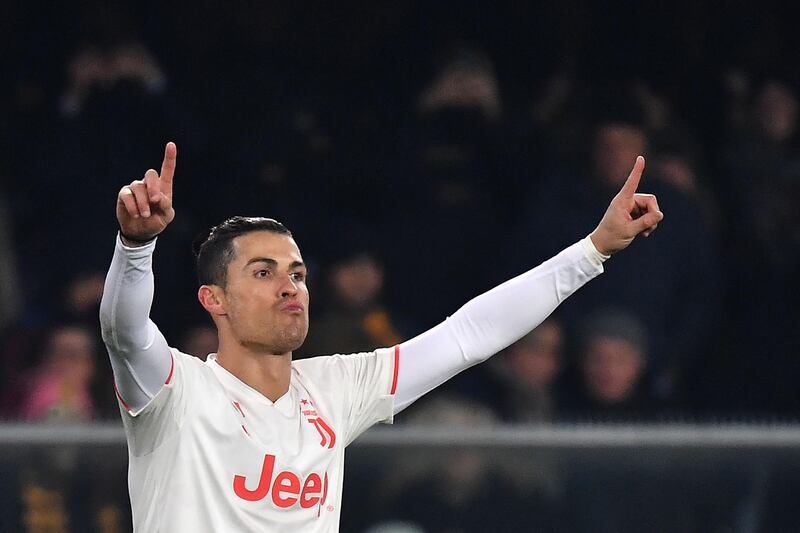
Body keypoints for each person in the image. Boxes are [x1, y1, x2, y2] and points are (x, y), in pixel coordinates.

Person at [99, 142, 662, 531]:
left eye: (297, 273)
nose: (291, 287)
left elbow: (469, 335)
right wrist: (136, 246)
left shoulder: (335, 389)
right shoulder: (175, 390)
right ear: (213, 299)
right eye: (263, 273)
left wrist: (592, 251)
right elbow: (124, 330)